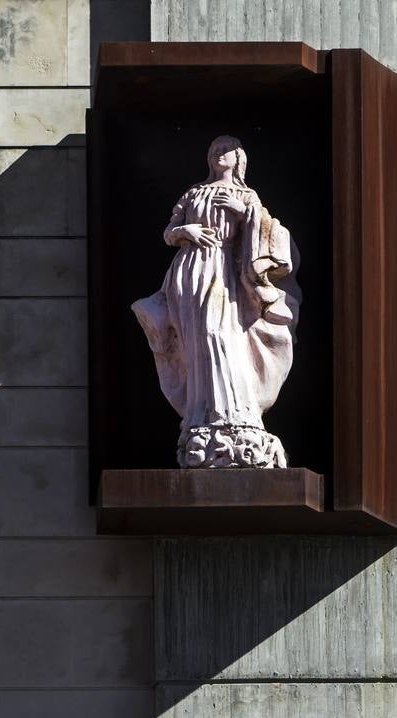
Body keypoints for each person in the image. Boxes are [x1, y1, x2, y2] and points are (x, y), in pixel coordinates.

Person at [132, 135, 302, 469]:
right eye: (212, 150)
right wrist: (187, 232)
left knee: (221, 334)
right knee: (196, 339)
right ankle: (201, 413)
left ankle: (238, 413)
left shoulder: (247, 195)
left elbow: (271, 234)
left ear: (238, 157)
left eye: (224, 149)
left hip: (227, 272)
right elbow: (169, 232)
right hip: (192, 270)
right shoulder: (194, 192)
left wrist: (246, 214)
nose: (217, 154)